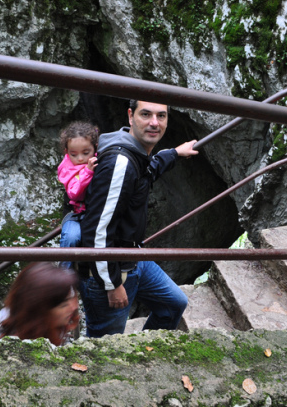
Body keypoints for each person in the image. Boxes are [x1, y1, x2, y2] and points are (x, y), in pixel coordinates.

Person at [77, 100, 199, 337]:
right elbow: (97, 229)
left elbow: (148, 171)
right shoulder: (119, 163)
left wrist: (175, 153)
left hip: (133, 257)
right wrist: (112, 285)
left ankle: (147, 351)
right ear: (131, 116)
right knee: (106, 345)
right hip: (111, 270)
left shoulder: (135, 153)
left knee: (173, 304)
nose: (155, 123)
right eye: (146, 114)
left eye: (161, 116)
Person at [0, 263, 80, 346]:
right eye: (64, 304)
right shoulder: (14, 345)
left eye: (72, 299)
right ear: (38, 310)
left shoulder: (35, 329)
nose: (74, 307)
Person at [57, 121, 99, 249]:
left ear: (95, 148)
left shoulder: (101, 160)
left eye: (86, 153)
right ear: (67, 152)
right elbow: (73, 193)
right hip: (74, 214)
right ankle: (64, 268)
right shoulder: (67, 168)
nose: (80, 159)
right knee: (71, 237)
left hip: (95, 213)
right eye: (74, 154)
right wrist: (87, 172)